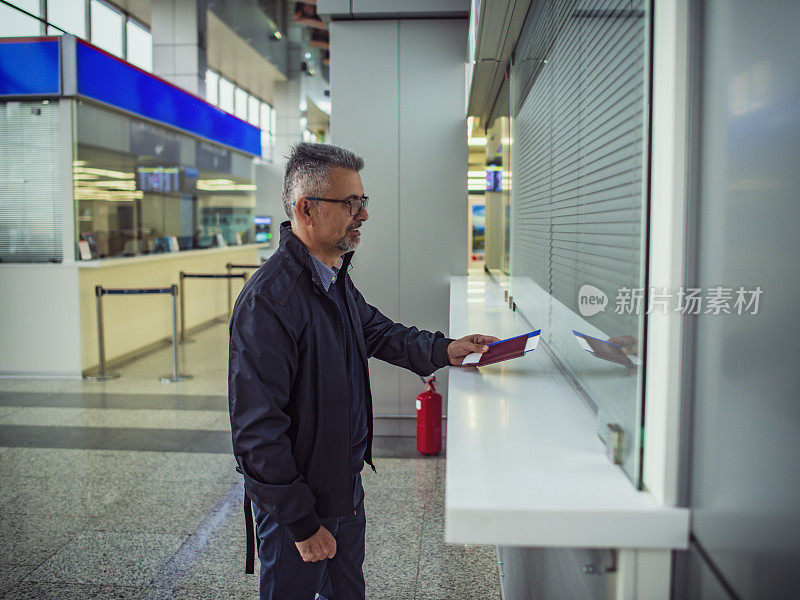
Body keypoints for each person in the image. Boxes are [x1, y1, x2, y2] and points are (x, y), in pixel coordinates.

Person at [228, 142, 498, 600]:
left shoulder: (331, 276)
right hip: (301, 505)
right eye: (349, 203)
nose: (363, 214)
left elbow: (377, 332)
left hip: (343, 487)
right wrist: (301, 523)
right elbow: (256, 433)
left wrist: (446, 349)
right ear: (305, 210)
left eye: (362, 201)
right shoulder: (269, 302)